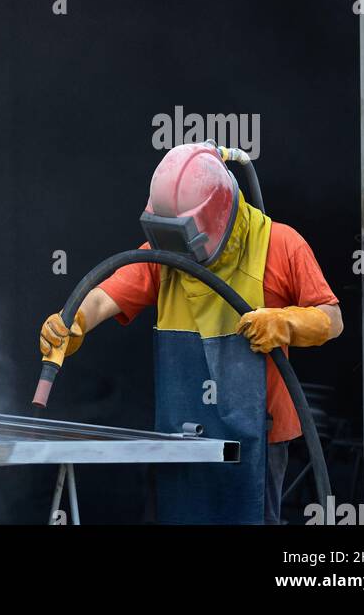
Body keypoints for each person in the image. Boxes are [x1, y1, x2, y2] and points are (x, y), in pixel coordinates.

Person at [40, 142, 342, 524]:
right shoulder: (164, 250)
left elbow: (331, 318)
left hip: (260, 431)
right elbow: (105, 297)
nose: (173, 251)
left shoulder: (281, 244)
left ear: (215, 218)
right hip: (182, 431)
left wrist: (286, 322)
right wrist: (74, 320)